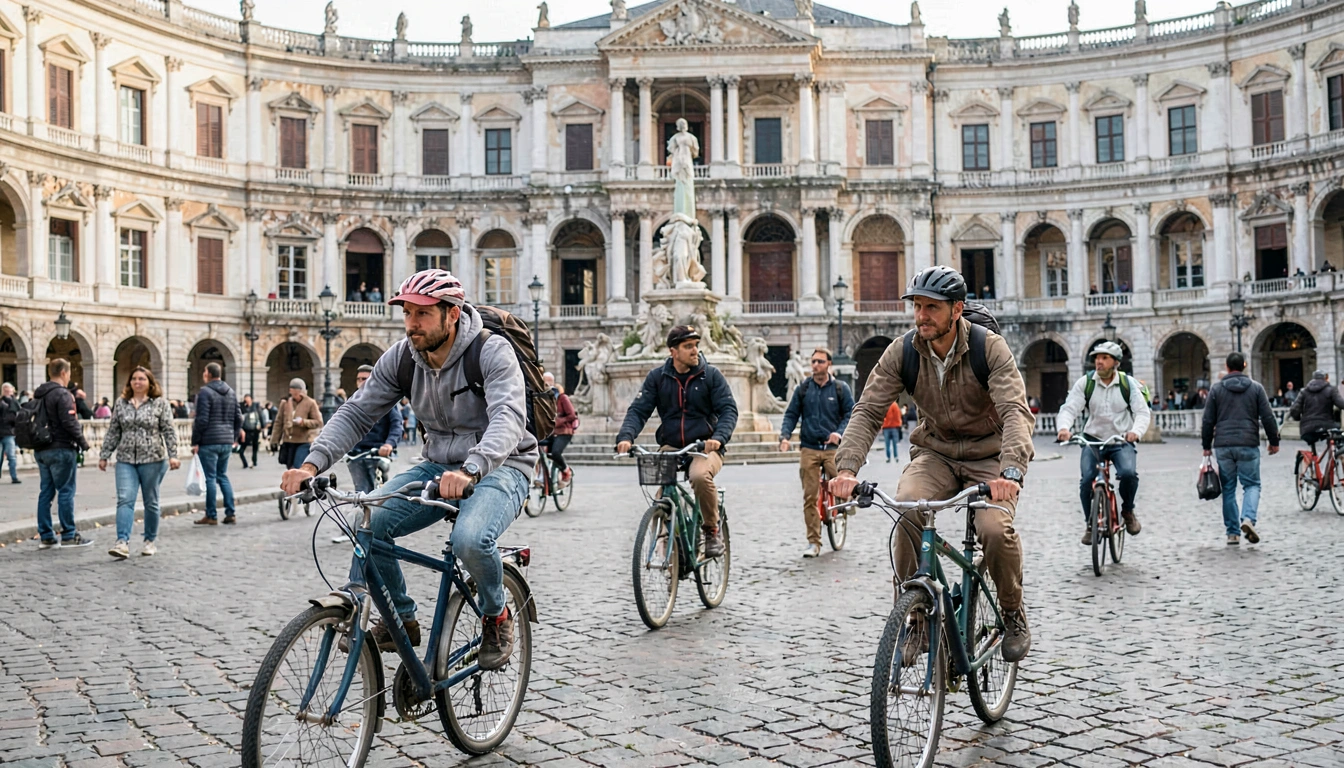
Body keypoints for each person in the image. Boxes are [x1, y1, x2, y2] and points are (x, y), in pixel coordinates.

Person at [281, 269, 536, 670]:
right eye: (407, 313)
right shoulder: (403, 357)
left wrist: (472, 469)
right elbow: (357, 412)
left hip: (502, 464)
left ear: (452, 314)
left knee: (470, 540)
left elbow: (508, 418)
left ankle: (496, 615)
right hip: (438, 465)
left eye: (422, 314)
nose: (411, 324)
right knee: (370, 521)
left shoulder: (491, 350)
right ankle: (401, 615)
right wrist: (311, 462)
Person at [828, 266, 1033, 662]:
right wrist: (847, 469)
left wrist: (1010, 471)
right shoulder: (903, 350)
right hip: (935, 453)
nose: (921, 316)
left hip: (989, 456)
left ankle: (1012, 612)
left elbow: (1014, 412)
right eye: (917, 307)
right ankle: (918, 617)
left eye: (931, 308)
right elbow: (868, 409)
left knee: (993, 529)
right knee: (906, 508)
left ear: (957, 310)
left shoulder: (988, 348)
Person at [616, 325, 738, 559]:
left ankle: (711, 530)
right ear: (674, 351)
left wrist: (718, 438)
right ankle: (669, 544)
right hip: (672, 445)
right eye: (688, 346)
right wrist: (625, 437)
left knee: (699, 476)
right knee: (663, 496)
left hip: (705, 445)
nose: (695, 351)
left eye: (695, 345)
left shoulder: (710, 375)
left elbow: (728, 411)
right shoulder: (658, 377)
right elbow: (638, 411)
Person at [1054, 341, 1151, 543]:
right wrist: (1063, 428)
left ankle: (1127, 512)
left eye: (1104, 358)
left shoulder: (1128, 384)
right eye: (1097, 357)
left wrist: (1135, 432)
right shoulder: (1086, 383)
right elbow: (1070, 408)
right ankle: (1090, 524)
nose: (1099, 361)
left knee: (1128, 474)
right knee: (1086, 480)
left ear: (1115, 362)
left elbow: (1142, 412)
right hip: (1093, 440)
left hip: (1120, 439)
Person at [778, 347, 854, 559]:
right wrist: (784, 436)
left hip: (831, 449)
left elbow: (851, 413)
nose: (815, 365)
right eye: (813, 362)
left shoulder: (840, 388)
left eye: (820, 361)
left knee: (841, 481)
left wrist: (838, 433)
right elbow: (791, 414)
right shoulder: (803, 389)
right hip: (809, 447)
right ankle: (813, 542)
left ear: (829, 364)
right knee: (809, 497)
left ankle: (843, 505)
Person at [99, 366, 180, 558]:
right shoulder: (121, 403)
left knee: (151, 501)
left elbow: (168, 430)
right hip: (126, 459)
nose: (137, 382)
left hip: (153, 459)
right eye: (134, 378)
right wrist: (105, 454)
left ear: (150, 383)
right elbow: (114, 430)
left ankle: (149, 540)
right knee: (125, 499)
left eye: (142, 379)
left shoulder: (160, 404)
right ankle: (122, 542)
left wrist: (173, 454)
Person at [1201, 352, 1279, 546]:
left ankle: (1232, 533)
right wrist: (1273, 440)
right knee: (1252, 485)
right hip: (1248, 442)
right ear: (1244, 366)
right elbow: (1268, 417)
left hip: (1224, 445)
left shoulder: (1217, 389)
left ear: (1227, 367)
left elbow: (1208, 420)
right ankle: (1248, 519)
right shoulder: (1256, 388)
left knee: (1228, 489)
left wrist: (1206, 445)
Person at [33, 359, 93, 548]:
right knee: (66, 491)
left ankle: (46, 535)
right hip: (61, 447)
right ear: (64, 373)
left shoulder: (39, 394)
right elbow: (69, 422)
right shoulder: (62, 394)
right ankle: (68, 533)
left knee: (46, 492)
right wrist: (84, 443)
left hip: (41, 449)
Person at [191, 362, 243, 526]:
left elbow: (202, 420)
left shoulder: (205, 392)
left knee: (211, 478)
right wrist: (232, 436)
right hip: (226, 441)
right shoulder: (231, 392)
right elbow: (239, 417)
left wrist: (195, 441)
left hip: (209, 441)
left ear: (207, 374)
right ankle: (230, 512)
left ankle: (211, 515)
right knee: (223, 476)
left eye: (204, 371)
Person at [345, 365, 402, 493]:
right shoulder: (352, 402)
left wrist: (389, 444)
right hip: (356, 453)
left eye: (365, 378)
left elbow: (396, 424)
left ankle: (382, 507)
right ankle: (364, 511)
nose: (361, 382)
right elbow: (344, 425)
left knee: (378, 492)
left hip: (377, 451)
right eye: (359, 379)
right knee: (360, 492)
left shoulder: (385, 400)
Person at [270, 379, 324, 471]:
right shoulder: (285, 403)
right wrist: (274, 441)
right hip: (288, 441)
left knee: (297, 466)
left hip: (303, 441)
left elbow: (318, 422)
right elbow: (278, 423)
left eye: (297, 393)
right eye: (293, 393)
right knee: (290, 468)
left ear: (302, 392)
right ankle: (295, 484)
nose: (296, 396)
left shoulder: (310, 403)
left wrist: (303, 422)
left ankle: (300, 484)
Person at [1288, 370, 1344, 454]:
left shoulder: (1304, 391)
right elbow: (1341, 404)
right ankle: (1336, 456)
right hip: (1327, 425)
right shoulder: (1331, 390)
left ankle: (1314, 458)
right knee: (1339, 435)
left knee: (1312, 441)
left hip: (1307, 427)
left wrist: (1298, 418)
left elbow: (1294, 410)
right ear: (1325, 378)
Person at [542, 372, 576, 487]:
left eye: (549, 381)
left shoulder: (562, 398)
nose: (546, 384)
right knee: (543, 453)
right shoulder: (543, 398)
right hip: (551, 432)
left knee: (556, 452)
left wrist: (558, 421)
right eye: (544, 381)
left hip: (564, 432)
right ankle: (544, 479)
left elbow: (572, 415)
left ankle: (566, 471)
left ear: (553, 382)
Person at [239, 394, 268, 468]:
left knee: (255, 446)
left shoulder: (256, 407)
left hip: (255, 429)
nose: (247, 401)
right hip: (246, 430)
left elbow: (261, 416)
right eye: (246, 400)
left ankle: (254, 461)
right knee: (242, 448)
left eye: (248, 399)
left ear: (251, 399)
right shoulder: (242, 407)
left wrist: (262, 426)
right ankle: (245, 463)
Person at [0, 383, 20, 484]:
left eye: (9, 390)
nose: (8, 392)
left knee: (11, 456)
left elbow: (18, 416)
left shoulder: (15, 402)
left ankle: (14, 477)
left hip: (9, 432)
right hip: (3, 431)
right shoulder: (1, 402)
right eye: (6, 390)